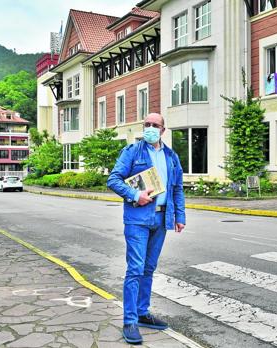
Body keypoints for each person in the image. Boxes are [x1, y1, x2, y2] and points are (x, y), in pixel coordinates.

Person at [107, 112, 186, 344]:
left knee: (149, 268)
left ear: (163, 130)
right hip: (137, 220)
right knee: (135, 269)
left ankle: (142, 313)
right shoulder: (132, 151)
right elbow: (114, 179)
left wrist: (179, 216)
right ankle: (129, 321)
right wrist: (135, 194)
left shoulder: (171, 156)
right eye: (147, 124)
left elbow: (177, 188)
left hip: (162, 220)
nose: (150, 128)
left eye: (155, 125)